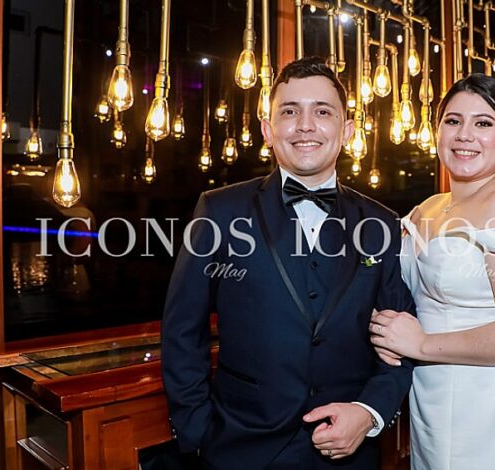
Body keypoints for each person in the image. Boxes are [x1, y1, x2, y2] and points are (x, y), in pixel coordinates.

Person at [161, 57, 414, 470]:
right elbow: (182, 330)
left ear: (348, 130)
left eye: (323, 112)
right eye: (290, 112)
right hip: (239, 450)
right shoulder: (219, 210)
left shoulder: (381, 223)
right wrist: (198, 433)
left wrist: (368, 413)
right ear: (268, 129)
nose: (305, 125)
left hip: (350, 453)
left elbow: (401, 340)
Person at [369, 74, 495, 469]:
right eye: (453, 121)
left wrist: (421, 345)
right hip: (433, 396)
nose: (464, 135)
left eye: (483, 123)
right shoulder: (428, 208)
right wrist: (385, 331)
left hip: (494, 403)